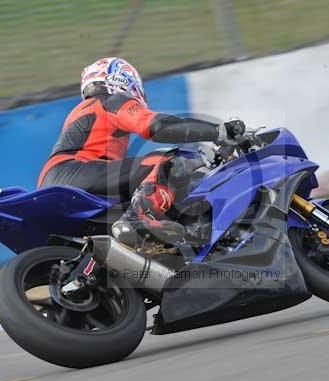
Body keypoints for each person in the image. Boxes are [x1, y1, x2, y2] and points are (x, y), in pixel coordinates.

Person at [38, 57, 245, 245]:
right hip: (76, 172)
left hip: (55, 180)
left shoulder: (88, 109)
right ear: (122, 79)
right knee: (168, 160)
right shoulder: (111, 101)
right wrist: (218, 131)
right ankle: (139, 218)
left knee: (143, 184)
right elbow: (158, 126)